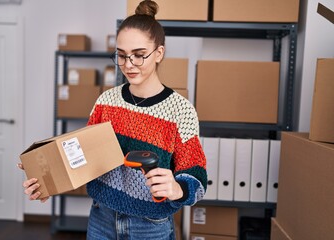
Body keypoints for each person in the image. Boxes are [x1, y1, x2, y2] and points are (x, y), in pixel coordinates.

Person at [19, 0, 207, 239]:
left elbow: (198, 178)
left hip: (150, 225)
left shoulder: (181, 111)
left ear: (159, 53)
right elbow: (83, 160)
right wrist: (47, 175)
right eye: (121, 56)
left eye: (139, 56)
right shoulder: (106, 102)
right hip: (101, 218)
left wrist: (179, 188)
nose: (129, 65)